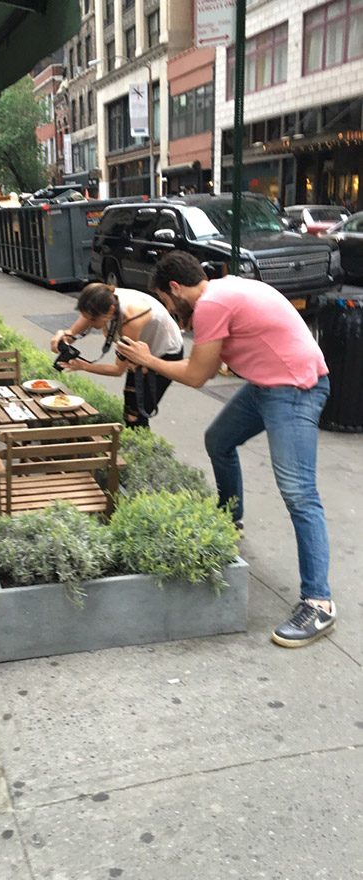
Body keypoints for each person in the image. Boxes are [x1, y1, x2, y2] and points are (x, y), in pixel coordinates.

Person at [115, 251, 334, 648]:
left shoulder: (209, 305)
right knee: (218, 441)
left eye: (165, 299)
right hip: (266, 385)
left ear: (175, 288)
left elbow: (198, 375)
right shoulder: (221, 291)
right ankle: (231, 519)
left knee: (299, 494)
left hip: (295, 389)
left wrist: (149, 360)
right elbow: (212, 366)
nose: (167, 308)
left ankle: (318, 602)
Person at [50, 282, 184, 428]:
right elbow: (78, 328)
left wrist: (83, 366)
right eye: (86, 317)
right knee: (129, 412)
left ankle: (142, 447)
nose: (89, 323)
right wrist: (64, 336)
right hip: (141, 351)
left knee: (138, 413)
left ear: (111, 310)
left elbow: (118, 370)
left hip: (165, 353)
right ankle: (134, 442)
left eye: (93, 320)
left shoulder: (131, 318)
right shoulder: (102, 299)